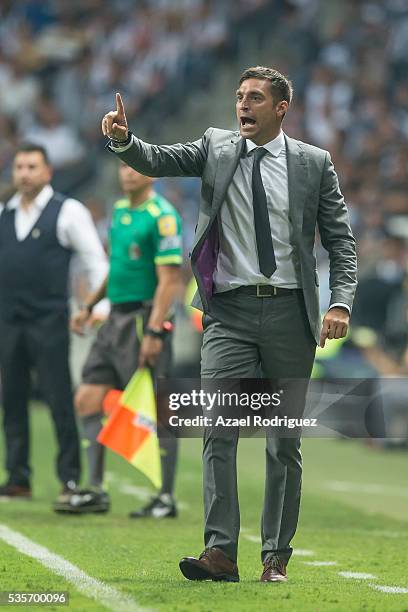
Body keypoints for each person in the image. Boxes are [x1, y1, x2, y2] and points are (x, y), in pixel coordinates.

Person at [101, 66, 357, 582]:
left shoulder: (313, 163)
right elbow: (157, 159)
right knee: (218, 428)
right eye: (240, 96)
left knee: (283, 439)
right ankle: (219, 551)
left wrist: (340, 303)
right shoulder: (215, 147)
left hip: (290, 313)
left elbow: (341, 242)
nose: (243, 105)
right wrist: (125, 140)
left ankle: (275, 557)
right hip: (229, 313)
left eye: (255, 98)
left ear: (281, 108)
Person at [57, 163, 182, 517]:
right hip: (115, 318)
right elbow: (117, 266)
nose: (128, 173)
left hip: (144, 319)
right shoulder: (120, 210)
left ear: (152, 174)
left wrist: (156, 331)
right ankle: (96, 489)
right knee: (87, 398)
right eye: (124, 166)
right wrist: (91, 304)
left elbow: (169, 280)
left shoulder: (163, 217)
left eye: (137, 167)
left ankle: (166, 496)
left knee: (159, 412)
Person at [0, 143, 107, 508]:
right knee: (12, 399)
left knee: (58, 397)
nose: (24, 173)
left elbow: (94, 259)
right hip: (8, 321)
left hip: (48, 320)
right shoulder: (4, 211)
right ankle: (17, 477)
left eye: (32, 166)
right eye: (19, 166)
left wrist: (100, 304)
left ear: (47, 172)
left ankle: (70, 478)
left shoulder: (68, 211)